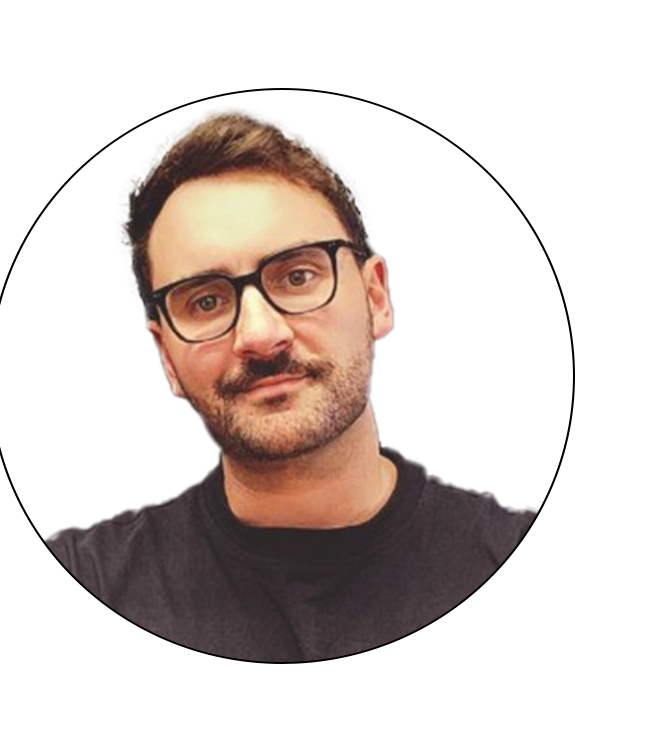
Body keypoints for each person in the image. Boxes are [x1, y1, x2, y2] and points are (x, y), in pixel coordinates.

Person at [46, 110, 536, 660]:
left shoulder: (503, 553)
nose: (260, 335)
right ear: (166, 355)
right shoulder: (88, 577)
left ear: (375, 297)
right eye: (205, 301)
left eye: (298, 275)